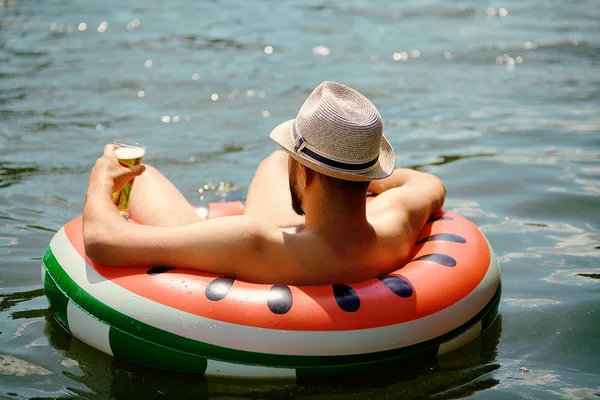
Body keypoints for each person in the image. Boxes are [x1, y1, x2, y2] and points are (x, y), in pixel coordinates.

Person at [83, 81, 445, 285]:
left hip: (276, 258)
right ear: (370, 174)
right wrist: (355, 174)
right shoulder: (397, 218)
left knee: (145, 180)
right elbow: (429, 183)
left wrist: (101, 179)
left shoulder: (250, 240)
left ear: (304, 173)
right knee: (273, 163)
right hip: (323, 243)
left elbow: (102, 241)